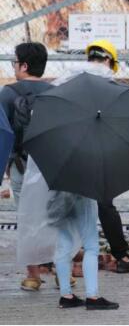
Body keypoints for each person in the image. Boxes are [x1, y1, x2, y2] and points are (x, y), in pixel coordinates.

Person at [17, 40, 120, 309]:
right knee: (91, 243)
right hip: (83, 181)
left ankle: (66, 295)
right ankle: (94, 297)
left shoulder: (59, 105)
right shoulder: (98, 115)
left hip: (58, 180)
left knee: (63, 241)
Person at [84, 40, 129, 274]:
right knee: (104, 204)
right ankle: (122, 257)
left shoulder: (74, 81)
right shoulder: (114, 89)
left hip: (75, 149)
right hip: (101, 151)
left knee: (73, 205)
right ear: (109, 60)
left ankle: (57, 258)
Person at [0, 42, 53, 291]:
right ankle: (63, 272)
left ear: (23, 65)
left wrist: (6, 165)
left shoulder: (7, 94)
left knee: (27, 217)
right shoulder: (55, 93)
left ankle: (33, 275)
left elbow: (3, 133)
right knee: (54, 216)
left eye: (15, 62)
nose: (13, 67)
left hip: (20, 164)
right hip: (51, 165)